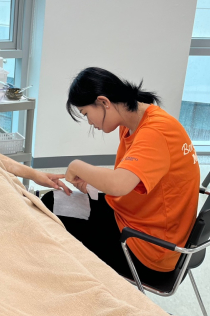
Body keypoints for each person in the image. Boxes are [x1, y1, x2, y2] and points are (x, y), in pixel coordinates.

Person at [42, 67, 200, 281]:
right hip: (137, 220)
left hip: (149, 249)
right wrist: (93, 183)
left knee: (52, 218)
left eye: (86, 114)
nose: (90, 122)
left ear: (104, 102)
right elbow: (131, 177)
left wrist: (76, 166)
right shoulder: (134, 124)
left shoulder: (155, 132)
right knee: (52, 201)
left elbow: (119, 184)